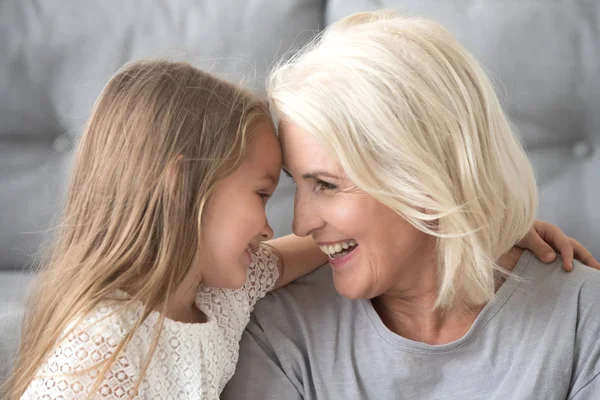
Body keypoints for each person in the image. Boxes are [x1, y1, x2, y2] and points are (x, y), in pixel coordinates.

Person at [222, 11, 600, 400]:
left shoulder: (582, 318)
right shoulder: (278, 329)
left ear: (424, 177)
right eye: (296, 182)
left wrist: (483, 220)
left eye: (326, 185)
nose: (300, 223)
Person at [6, 60, 328, 400]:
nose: (267, 228)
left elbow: (312, 245)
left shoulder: (220, 297)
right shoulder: (101, 347)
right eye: (261, 194)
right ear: (181, 181)